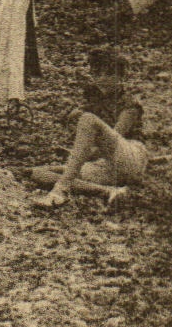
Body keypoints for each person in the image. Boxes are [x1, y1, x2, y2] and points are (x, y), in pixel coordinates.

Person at [31, 50, 146, 208]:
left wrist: (81, 152)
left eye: (108, 75)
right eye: (97, 74)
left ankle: (60, 190)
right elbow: (70, 119)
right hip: (106, 165)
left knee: (87, 120)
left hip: (131, 157)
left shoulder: (130, 104)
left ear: (121, 77)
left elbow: (114, 139)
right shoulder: (94, 99)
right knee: (39, 173)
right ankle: (108, 191)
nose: (102, 79)